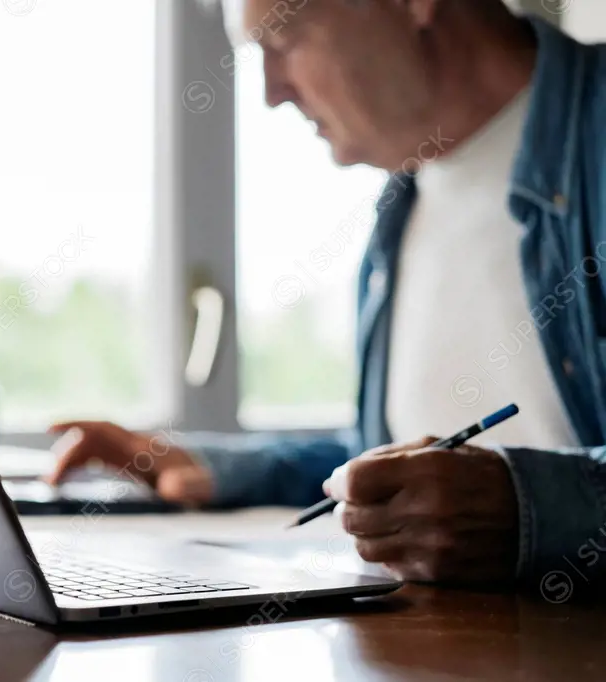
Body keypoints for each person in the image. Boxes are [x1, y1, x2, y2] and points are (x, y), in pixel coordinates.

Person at [47, 0, 606, 589]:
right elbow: (400, 457)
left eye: (284, 40)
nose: (271, 91)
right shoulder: (405, 202)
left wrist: (525, 507)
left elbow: (489, 488)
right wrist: (210, 468)